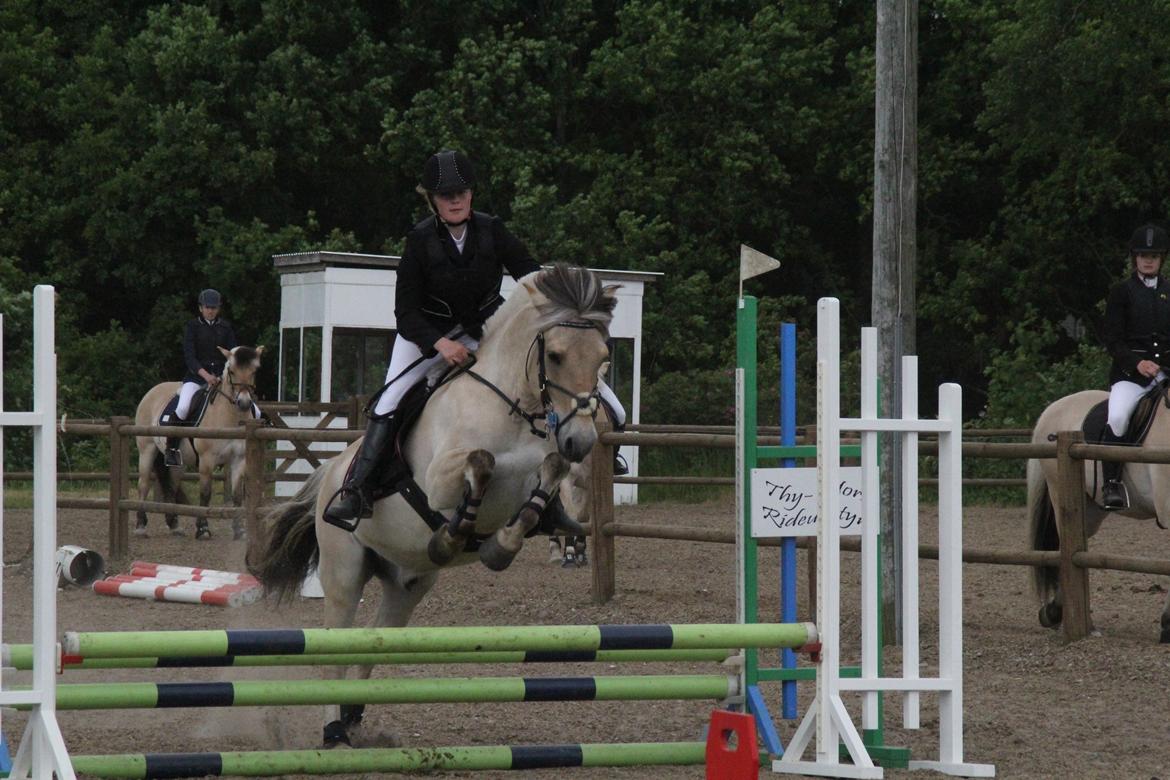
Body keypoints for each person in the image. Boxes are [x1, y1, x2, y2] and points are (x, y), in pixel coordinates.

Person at [324, 150, 628, 526]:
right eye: (445, 194)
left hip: (485, 331)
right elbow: (405, 314)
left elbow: (529, 272)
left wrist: (566, 303)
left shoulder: (491, 229)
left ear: (471, 195)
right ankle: (358, 489)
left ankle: (552, 501)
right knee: (389, 401)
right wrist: (440, 344)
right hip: (425, 335)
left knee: (546, 385)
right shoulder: (419, 241)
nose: (454, 200)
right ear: (432, 200)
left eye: (461, 192)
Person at [1100, 222, 1170, 508]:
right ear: (1135, 258)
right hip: (1130, 375)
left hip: (1166, 373)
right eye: (1143, 254)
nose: (1148, 259)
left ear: (1162, 258)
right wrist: (1137, 362)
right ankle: (1111, 484)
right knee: (1117, 416)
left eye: (1153, 255)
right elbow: (1112, 339)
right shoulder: (1121, 292)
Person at [163, 288, 239, 466]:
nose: (210, 310)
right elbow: (190, 357)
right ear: (201, 308)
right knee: (182, 407)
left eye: (214, 308)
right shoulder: (193, 327)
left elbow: (232, 354)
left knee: (250, 407)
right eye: (207, 307)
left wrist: (222, 376)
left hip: (221, 379)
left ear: (218, 309)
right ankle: (171, 449)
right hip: (196, 378)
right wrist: (205, 376)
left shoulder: (226, 328)